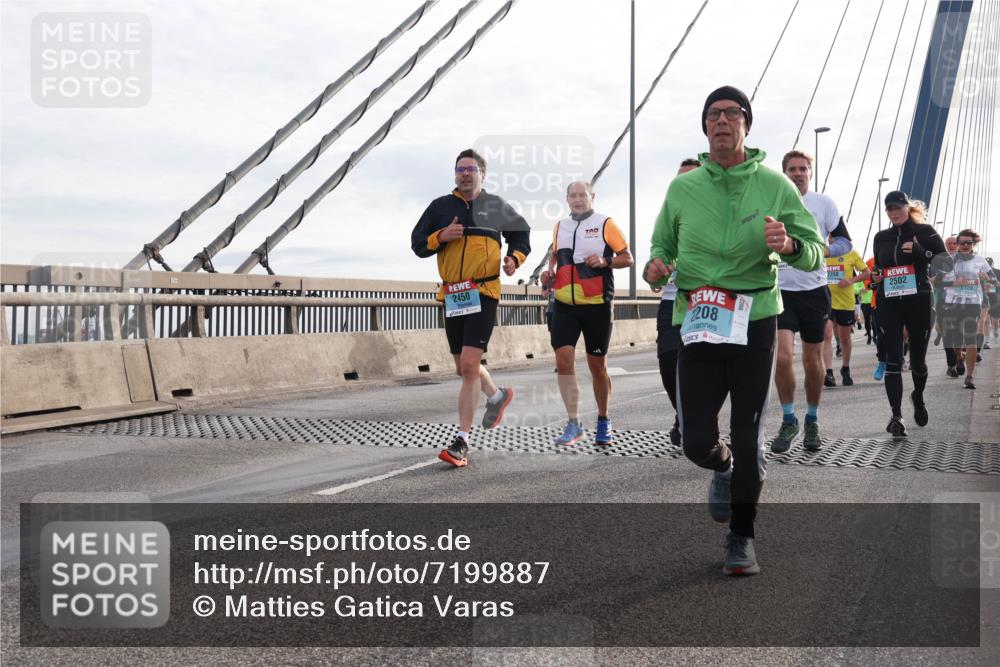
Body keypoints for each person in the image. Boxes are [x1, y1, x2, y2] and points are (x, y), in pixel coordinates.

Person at [645, 86, 824, 576]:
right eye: (713, 115)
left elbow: (814, 251)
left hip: (756, 316)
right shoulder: (682, 189)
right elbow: (658, 250)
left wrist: (788, 245)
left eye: (732, 114)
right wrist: (656, 268)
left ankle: (741, 537)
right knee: (695, 440)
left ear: (746, 124)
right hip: (698, 318)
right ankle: (722, 467)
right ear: (705, 127)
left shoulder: (775, 186)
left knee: (749, 438)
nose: (722, 121)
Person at [411, 148, 531, 467]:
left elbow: (522, 234)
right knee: (463, 367)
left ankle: (462, 442)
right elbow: (417, 243)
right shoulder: (440, 207)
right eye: (460, 169)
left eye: (471, 169)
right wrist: (441, 236)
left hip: (484, 290)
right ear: (455, 174)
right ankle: (496, 396)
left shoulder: (495, 206)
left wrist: (513, 259)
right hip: (453, 294)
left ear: (482, 174)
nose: (465, 173)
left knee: (467, 365)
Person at [540, 181, 634, 446]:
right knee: (563, 362)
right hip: (564, 305)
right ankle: (574, 423)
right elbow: (555, 256)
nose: (578, 199)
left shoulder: (606, 223)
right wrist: (549, 276)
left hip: (596, 305)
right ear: (567, 199)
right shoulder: (560, 226)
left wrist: (605, 261)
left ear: (592, 197)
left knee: (597, 366)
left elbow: (627, 258)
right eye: (573, 195)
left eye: (583, 195)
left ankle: (603, 420)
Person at [771, 151, 851, 453]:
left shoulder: (824, 203)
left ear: (810, 173)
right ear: (784, 173)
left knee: (812, 361)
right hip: (781, 291)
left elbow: (845, 241)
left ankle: (813, 420)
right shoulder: (774, 201)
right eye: (792, 169)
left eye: (803, 169)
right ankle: (789, 418)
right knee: (781, 358)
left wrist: (821, 250)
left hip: (815, 290)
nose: (798, 173)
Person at [870, 191, 946, 436]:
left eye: (898, 208)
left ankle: (918, 396)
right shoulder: (881, 237)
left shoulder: (925, 232)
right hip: (889, 302)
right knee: (893, 360)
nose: (894, 213)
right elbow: (879, 269)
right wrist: (875, 278)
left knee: (917, 362)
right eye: (890, 209)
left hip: (919, 301)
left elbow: (946, 264)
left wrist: (920, 251)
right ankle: (896, 416)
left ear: (907, 207)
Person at [654, 158, 701, 447]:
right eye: (679, 178)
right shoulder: (669, 214)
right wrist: (655, 271)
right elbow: (656, 255)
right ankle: (683, 414)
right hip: (672, 299)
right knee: (668, 361)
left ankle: (698, 418)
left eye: (691, 178)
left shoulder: (715, 213)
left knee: (706, 367)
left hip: (706, 300)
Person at [939, 229, 996, 390]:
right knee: (956, 339)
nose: (965, 245)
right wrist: (953, 283)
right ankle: (959, 356)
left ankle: (970, 377)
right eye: (961, 242)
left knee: (970, 338)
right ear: (956, 244)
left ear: (973, 244)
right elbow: (938, 283)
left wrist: (988, 279)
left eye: (968, 243)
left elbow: (995, 280)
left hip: (973, 303)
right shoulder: (948, 261)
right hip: (953, 303)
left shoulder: (980, 260)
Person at [823, 245, 870, 387]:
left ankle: (845, 369)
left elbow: (867, 273)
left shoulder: (851, 253)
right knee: (826, 335)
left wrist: (851, 280)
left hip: (846, 302)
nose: (830, 237)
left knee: (845, 337)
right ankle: (829, 373)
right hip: (826, 300)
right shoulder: (821, 251)